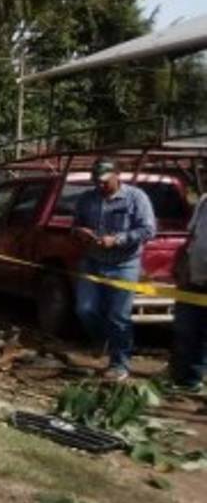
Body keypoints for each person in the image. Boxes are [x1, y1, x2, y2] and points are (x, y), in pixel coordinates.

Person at [71, 158, 156, 382]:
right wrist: (80, 232)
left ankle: (120, 364)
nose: (100, 186)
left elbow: (148, 230)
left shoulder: (136, 198)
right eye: (97, 181)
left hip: (124, 264)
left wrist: (118, 239)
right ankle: (104, 340)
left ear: (118, 175)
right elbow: (75, 225)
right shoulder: (87, 199)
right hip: (92, 261)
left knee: (119, 316)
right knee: (84, 309)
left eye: (105, 181)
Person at [168, 194, 207, 393]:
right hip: (193, 278)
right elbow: (192, 238)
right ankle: (185, 379)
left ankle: (194, 377)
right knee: (186, 329)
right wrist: (180, 262)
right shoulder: (204, 201)